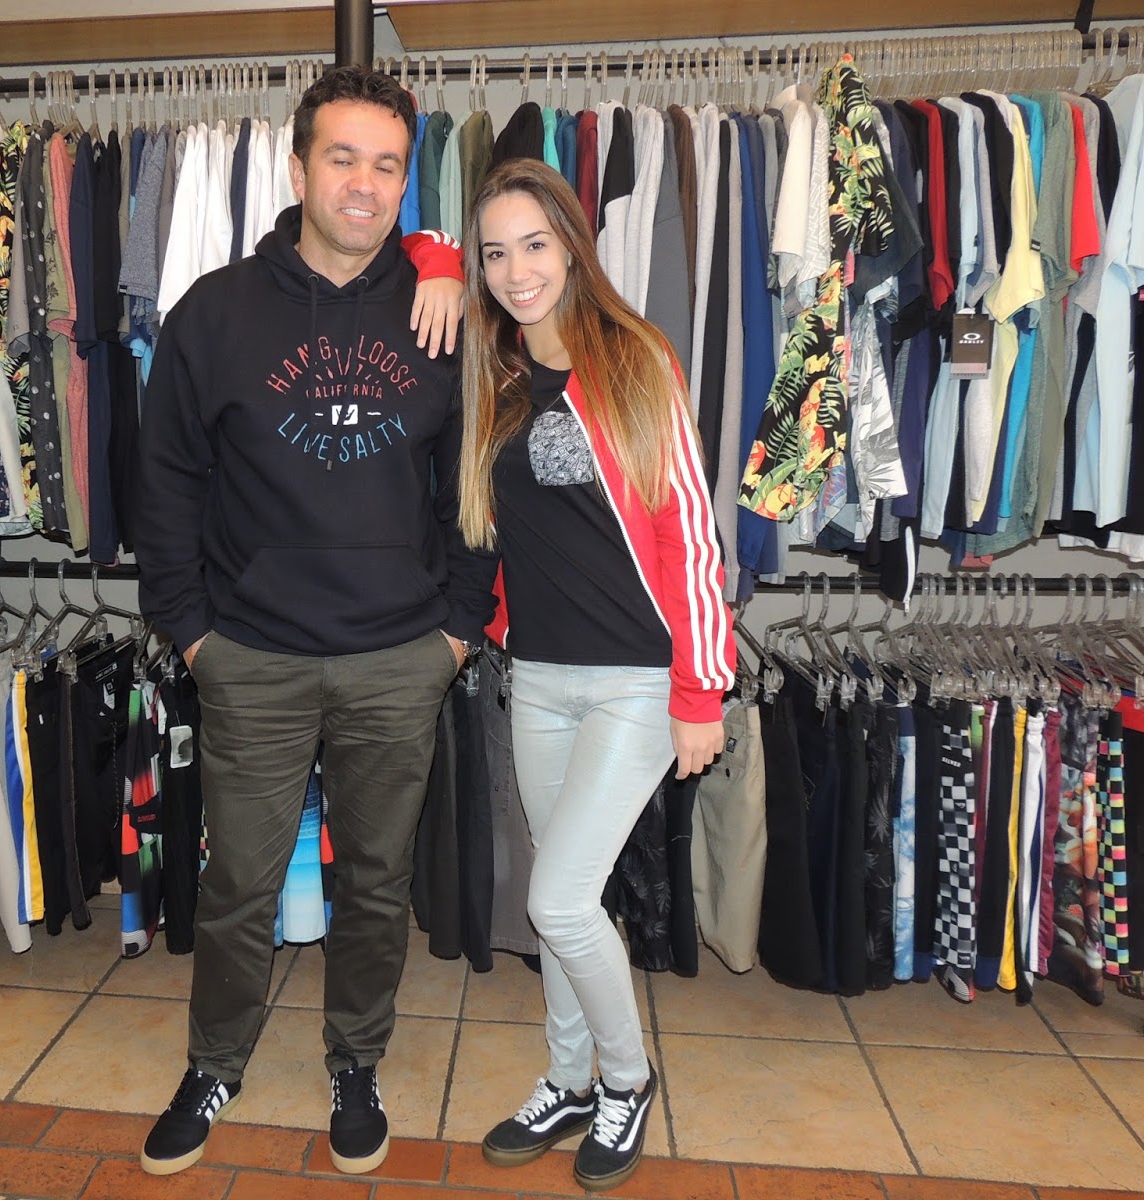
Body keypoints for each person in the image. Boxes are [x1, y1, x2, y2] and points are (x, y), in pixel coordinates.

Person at [133, 66, 498, 1178]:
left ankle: (356, 1061)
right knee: (238, 883)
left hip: (399, 656)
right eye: (342, 158)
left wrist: (457, 630)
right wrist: (190, 629)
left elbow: (474, 486)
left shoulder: (443, 313)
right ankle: (214, 1063)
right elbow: (165, 483)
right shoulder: (213, 314)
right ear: (298, 169)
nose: (363, 184)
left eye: (387, 165)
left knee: (375, 883)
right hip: (252, 655)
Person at [456, 158, 735, 1193]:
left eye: (534, 244)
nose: (517, 270)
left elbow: (689, 533)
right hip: (537, 678)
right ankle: (568, 1078)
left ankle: (626, 1080)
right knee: (561, 901)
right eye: (495, 253)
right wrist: (438, 259)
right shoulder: (496, 372)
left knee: (561, 902)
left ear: (573, 247)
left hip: (634, 683)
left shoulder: (634, 357)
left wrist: (699, 691)